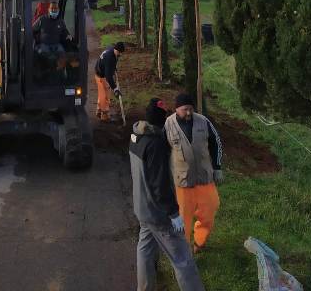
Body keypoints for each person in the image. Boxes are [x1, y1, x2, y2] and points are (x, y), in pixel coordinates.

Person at [129, 98, 205, 291]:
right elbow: (159, 184)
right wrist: (173, 213)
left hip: (142, 207)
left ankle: (145, 287)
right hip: (158, 214)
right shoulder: (155, 145)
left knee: (145, 249)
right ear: (161, 120)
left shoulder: (136, 136)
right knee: (182, 258)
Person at [164, 93, 223, 254]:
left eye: (191, 109)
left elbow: (216, 142)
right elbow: (162, 151)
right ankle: (183, 252)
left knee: (210, 209)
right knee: (183, 219)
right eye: (185, 109)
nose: (189, 112)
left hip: (205, 178)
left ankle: (199, 241)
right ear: (177, 109)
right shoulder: (168, 125)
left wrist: (217, 167)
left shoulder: (203, 121)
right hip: (183, 182)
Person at [32, 1, 70, 78]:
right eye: (52, 8)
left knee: (63, 54)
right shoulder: (42, 19)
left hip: (57, 45)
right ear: (48, 9)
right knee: (40, 55)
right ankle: (41, 74)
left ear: (58, 9)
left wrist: (68, 35)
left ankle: (61, 74)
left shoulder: (61, 21)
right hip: (44, 45)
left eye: (55, 8)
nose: (53, 10)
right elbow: (32, 29)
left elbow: (65, 32)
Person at [94, 41, 125, 122]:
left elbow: (113, 62)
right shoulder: (109, 58)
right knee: (105, 96)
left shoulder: (112, 50)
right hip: (101, 76)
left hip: (100, 72)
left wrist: (113, 68)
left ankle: (99, 111)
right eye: (119, 52)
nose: (120, 54)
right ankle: (105, 116)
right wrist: (115, 88)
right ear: (117, 50)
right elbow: (108, 77)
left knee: (102, 94)